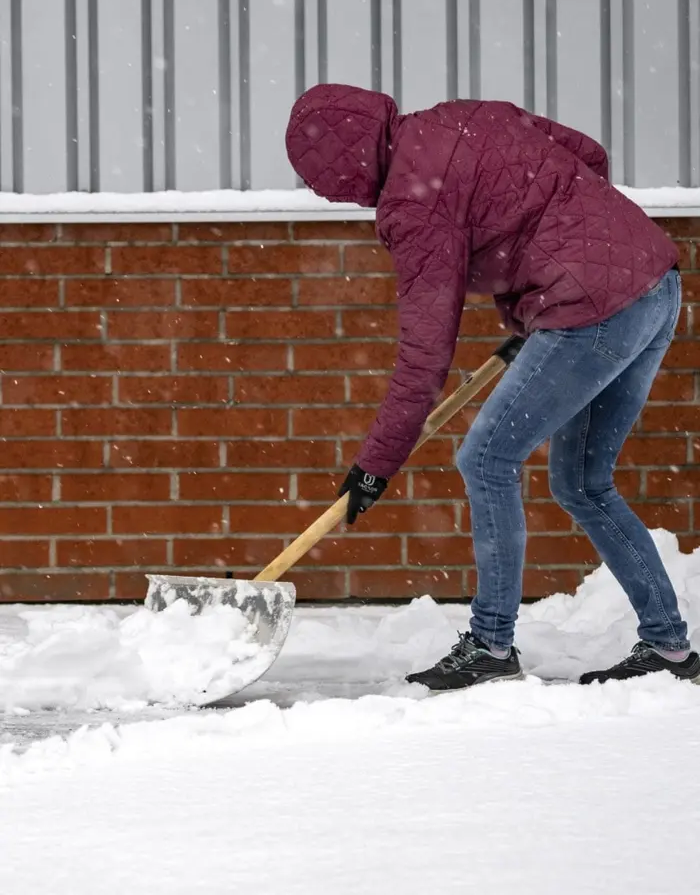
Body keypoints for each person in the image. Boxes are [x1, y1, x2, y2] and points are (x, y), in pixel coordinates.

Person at [285, 83, 700, 690]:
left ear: (343, 172)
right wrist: (554, 276)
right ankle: (667, 646)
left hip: (590, 310)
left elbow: (425, 355)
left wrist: (375, 466)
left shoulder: (412, 204)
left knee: (485, 458)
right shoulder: (463, 117)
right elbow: (588, 154)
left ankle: (491, 644)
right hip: (654, 287)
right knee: (583, 482)